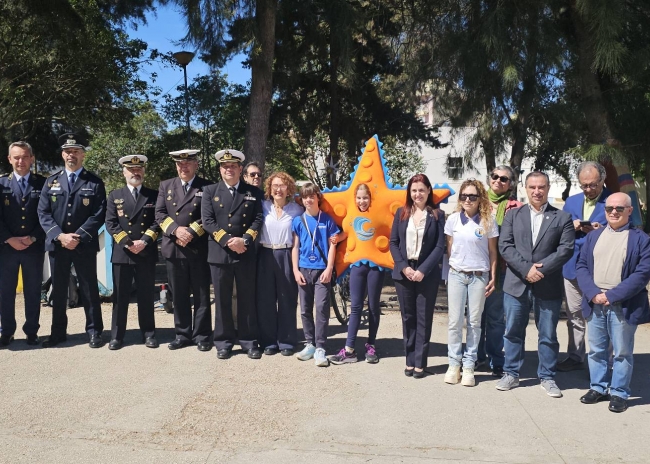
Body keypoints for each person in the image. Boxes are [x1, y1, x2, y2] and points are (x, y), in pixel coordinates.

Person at [496, 171, 574, 397]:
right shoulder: (513, 215)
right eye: (532, 187)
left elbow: (565, 249)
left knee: (548, 334)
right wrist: (526, 269)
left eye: (541, 187)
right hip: (516, 284)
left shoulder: (562, 218)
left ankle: (547, 376)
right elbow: (505, 246)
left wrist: (540, 270)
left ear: (548, 188)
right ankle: (511, 373)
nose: (537, 191)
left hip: (547, 285)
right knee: (513, 331)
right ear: (525, 189)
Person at [575, 192, 650, 413]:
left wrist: (612, 295)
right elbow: (581, 265)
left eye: (619, 208)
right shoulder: (594, 236)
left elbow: (642, 273)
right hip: (595, 302)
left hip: (622, 304)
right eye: (609, 208)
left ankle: (619, 393)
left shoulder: (641, 239)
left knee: (622, 353)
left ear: (630, 211)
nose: (614, 212)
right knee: (596, 350)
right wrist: (593, 293)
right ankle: (598, 387)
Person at [38, 133, 107, 348]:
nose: (71, 155)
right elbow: (43, 212)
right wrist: (60, 236)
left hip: (83, 244)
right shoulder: (51, 181)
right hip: (58, 244)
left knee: (89, 289)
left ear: (83, 155)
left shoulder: (94, 182)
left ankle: (94, 332)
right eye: (68, 152)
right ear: (62, 155)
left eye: (76, 151)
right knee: (58, 291)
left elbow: (98, 213)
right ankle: (58, 333)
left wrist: (78, 236)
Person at [201, 149, 264, 360]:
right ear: (220, 169)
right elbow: (208, 221)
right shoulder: (209, 191)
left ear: (240, 169)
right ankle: (223, 342)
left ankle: (249, 341)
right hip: (219, 253)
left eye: (233, 166)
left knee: (247, 298)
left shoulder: (253, 192)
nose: (229, 169)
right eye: (225, 166)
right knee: (222, 300)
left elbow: (258, 219)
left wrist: (244, 240)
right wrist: (229, 240)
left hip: (245, 251)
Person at [155, 149, 212, 351]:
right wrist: (176, 230)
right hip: (174, 247)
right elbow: (159, 213)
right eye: (180, 164)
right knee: (179, 295)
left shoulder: (207, 186)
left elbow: (209, 215)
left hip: (198, 247)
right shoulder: (166, 185)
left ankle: (202, 335)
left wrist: (191, 232)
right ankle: (182, 334)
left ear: (196, 164)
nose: (183, 167)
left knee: (201, 295)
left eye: (187, 163)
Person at [390, 174, 445, 379]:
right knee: (408, 317)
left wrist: (423, 270)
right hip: (404, 272)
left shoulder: (438, 215)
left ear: (429, 190)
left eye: (421, 190)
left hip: (426, 273)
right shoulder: (401, 213)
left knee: (423, 317)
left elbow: (439, 246)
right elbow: (393, 243)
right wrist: (404, 267)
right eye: (414, 190)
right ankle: (409, 360)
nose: (417, 194)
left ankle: (420, 363)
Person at [443, 179, 498, 386]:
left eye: (472, 196)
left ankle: (468, 366)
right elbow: (450, 249)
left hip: (479, 277)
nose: (468, 200)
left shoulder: (488, 221)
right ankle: (454, 364)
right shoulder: (452, 220)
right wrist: (456, 267)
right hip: (457, 275)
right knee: (455, 322)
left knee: (474, 323)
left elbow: (493, 252)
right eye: (464, 196)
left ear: (480, 198)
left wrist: (492, 277)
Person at [105, 155, 160, 350]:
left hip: (145, 251)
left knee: (146, 295)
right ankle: (117, 336)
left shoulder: (153, 195)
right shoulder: (115, 195)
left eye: (139, 169)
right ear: (124, 172)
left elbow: (158, 221)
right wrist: (128, 243)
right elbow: (110, 223)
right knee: (120, 297)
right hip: (123, 253)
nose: (135, 173)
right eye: (131, 169)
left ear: (143, 171)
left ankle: (149, 334)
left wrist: (144, 241)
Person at [559, 161, 610, 371]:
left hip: (601, 269)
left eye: (593, 185)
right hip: (572, 267)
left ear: (603, 180)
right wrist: (571, 226)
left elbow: (626, 229)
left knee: (602, 317)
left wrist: (602, 230)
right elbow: (558, 230)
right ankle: (575, 356)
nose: (588, 189)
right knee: (574, 315)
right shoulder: (571, 202)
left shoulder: (613, 200)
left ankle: (602, 363)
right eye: (584, 185)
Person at [329, 183, 384, 365]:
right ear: (355, 199)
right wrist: (337, 238)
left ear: (370, 198)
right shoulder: (351, 216)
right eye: (359, 198)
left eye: (365, 197)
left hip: (375, 267)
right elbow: (346, 233)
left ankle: (371, 345)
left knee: (374, 306)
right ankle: (349, 349)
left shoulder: (377, 214)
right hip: (357, 267)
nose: (362, 201)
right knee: (356, 307)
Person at [477, 165, 522, 377]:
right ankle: (476, 357)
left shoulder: (516, 207)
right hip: (476, 267)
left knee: (495, 317)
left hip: (502, 269)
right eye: (495, 176)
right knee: (475, 316)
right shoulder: (476, 201)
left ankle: (496, 358)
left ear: (510, 184)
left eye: (504, 179)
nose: (498, 181)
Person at [0, 142, 46, 346]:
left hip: (33, 246)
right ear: (9, 159)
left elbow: (47, 215)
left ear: (32, 158)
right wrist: (8, 238)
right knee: (5, 291)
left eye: (25, 157)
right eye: (16, 157)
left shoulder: (43, 184)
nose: (21, 161)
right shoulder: (2, 184)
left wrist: (33, 237)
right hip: (6, 248)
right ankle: (6, 331)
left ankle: (32, 331)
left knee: (33, 291)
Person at [256, 172, 303, 356]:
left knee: (287, 298)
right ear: (269, 188)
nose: (278, 189)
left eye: (282, 185)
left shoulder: (296, 210)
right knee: (266, 299)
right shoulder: (263, 206)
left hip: (286, 254)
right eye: (275, 185)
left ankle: (287, 341)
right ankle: (268, 341)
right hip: (265, 253)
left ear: (289, 189)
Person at [292, 183, 339, 367]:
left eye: (311, 196)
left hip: (322, 270)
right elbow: (295, 247)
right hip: (304, 269)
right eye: (305, 197)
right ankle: (310, 344)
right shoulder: (298, 220)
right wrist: (295, 270)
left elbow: (333, 245)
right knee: (305, 309)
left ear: (318, 198)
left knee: (321, 308)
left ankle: (320, 347)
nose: (308, 200)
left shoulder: (326, 219)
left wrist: (329, 268)